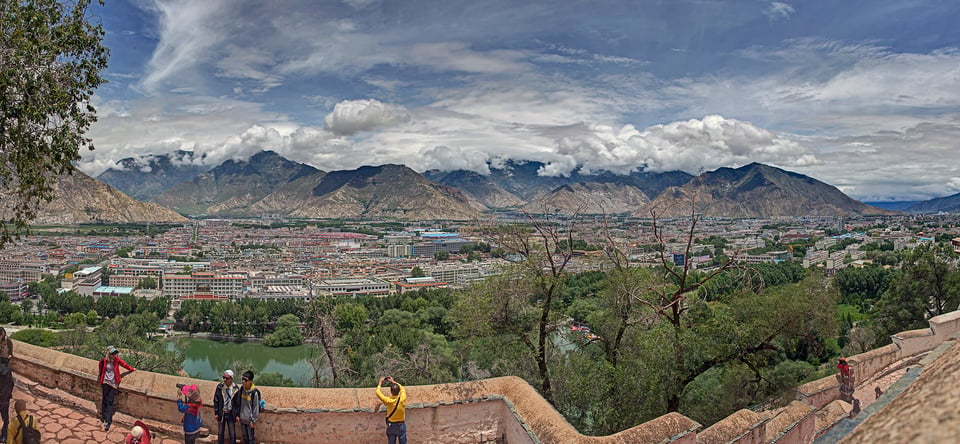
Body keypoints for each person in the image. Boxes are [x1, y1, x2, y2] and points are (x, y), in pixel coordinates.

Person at [98, 345, 135, 431]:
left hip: (114, 383)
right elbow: (100, 368)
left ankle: (108, 421)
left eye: (115, 353)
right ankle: (104, 416)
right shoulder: (104, 361)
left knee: (110, 401)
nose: (114, 355)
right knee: (105, 400)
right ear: (108, 353)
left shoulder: (117, 360)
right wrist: (100, 378)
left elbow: (124, 364)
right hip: (105, 382)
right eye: (112, 353)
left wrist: (131, 369)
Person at [376, 376, 407, 444]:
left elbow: (378, 393)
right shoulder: (402, 399)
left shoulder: (388, 401)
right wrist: (393, 381)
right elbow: (402, 388)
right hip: (401, 424)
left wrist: (380, 382)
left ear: (391, 392)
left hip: (391, 425)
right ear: (398, 391)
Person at [213, 369, 241, 444]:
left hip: (231, 414)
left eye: (227, 378)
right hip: (222, 413)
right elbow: (216, 400)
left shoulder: (236, 388)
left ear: (231, 378)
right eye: (224, 377)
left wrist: (237, 415)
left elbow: (238, 403)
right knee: (220, 432)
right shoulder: (220, 387)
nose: (225, 380)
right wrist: (216, 412)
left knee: (232, 433)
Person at [238, 370, 261, 444]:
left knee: (251, 438)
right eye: (242, 379)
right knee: (245, 437)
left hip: (249, 420)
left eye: (245, 380)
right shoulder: (242, 389)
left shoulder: (254, 393)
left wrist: (253, 421)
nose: (243, 381)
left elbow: (255, 407)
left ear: (250, 381)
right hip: (242, 418)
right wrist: (238, 415)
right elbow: (239, 403)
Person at [0, 364, 13, 443]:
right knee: (5, 419)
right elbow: (11, 384)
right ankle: (4, 436)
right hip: (4, 400)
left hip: (4, 398)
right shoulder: (7, 371)